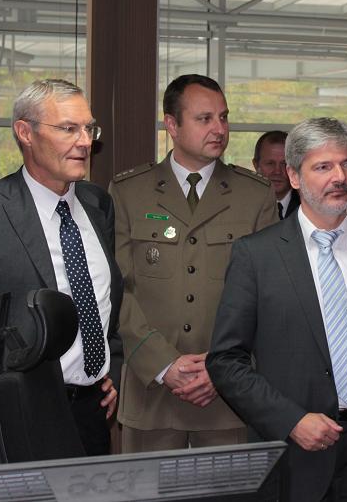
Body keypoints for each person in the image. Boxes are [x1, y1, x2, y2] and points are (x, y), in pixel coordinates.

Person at [207, 117, 347, 502]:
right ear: (294, 176)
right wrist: (290, 420)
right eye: (323, 166)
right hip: (296, 450)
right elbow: (225, 360)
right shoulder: (256, 255)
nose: (340, 177)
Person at [0, 78, 122, 457]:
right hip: (20, 417)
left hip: (92, 413)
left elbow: (107, 303)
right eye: (68, 129)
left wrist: (111, 369)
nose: (85, 142)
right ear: (25, 133)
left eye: (89, 128)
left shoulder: (98, 204)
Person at [110, 73, 277, 452]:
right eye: (205, 119)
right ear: (172, 124)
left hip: (227, 398)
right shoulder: (129, 192)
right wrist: (163, 364)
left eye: (224, 117)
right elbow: (117, 289)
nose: (220, 129)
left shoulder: (255, 196)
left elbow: (268, 297)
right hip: (151, 392)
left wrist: (222, 370)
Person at [253, 129, 300, 220]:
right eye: (270, 163)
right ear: (256, 165)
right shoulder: (243, 204)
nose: (277, 171)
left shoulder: (309, 205)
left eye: (284, 164)